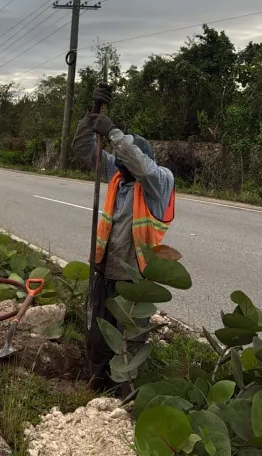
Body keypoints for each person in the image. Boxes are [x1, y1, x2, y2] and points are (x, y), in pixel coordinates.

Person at [72, 84, 176, 393]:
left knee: (130, 340)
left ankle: (124, 394)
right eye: (119, 163)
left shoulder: (158, 181)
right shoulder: (118, 175)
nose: (121, 169)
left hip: (136, 278)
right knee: (99, 333)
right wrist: (91, 117)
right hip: (106, 270)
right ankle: (97, 386)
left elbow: (140, 166)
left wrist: (114, 132)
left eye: (125, 162)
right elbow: (83, 148)